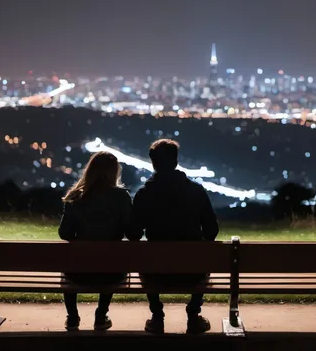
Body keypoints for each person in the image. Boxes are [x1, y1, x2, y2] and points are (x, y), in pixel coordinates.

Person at [130, 139, 219, 334]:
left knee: (144, 258)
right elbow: (212, 231)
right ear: (176, 161)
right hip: (192, 271)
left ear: (153, 163)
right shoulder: (196, 191)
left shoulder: (144, 194)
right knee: (205, 256)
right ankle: (193, 314)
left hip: (155, 271)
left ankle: (157, 315)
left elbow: (134, 234)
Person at [58, 151, 132, 331]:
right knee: (111, 262)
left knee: (69, 263)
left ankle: (73, 316)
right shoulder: (121, 197)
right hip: (110, 273)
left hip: (78, 271)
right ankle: (100, 315)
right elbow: (132, 232)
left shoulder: (76, 197)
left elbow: (65, 233)